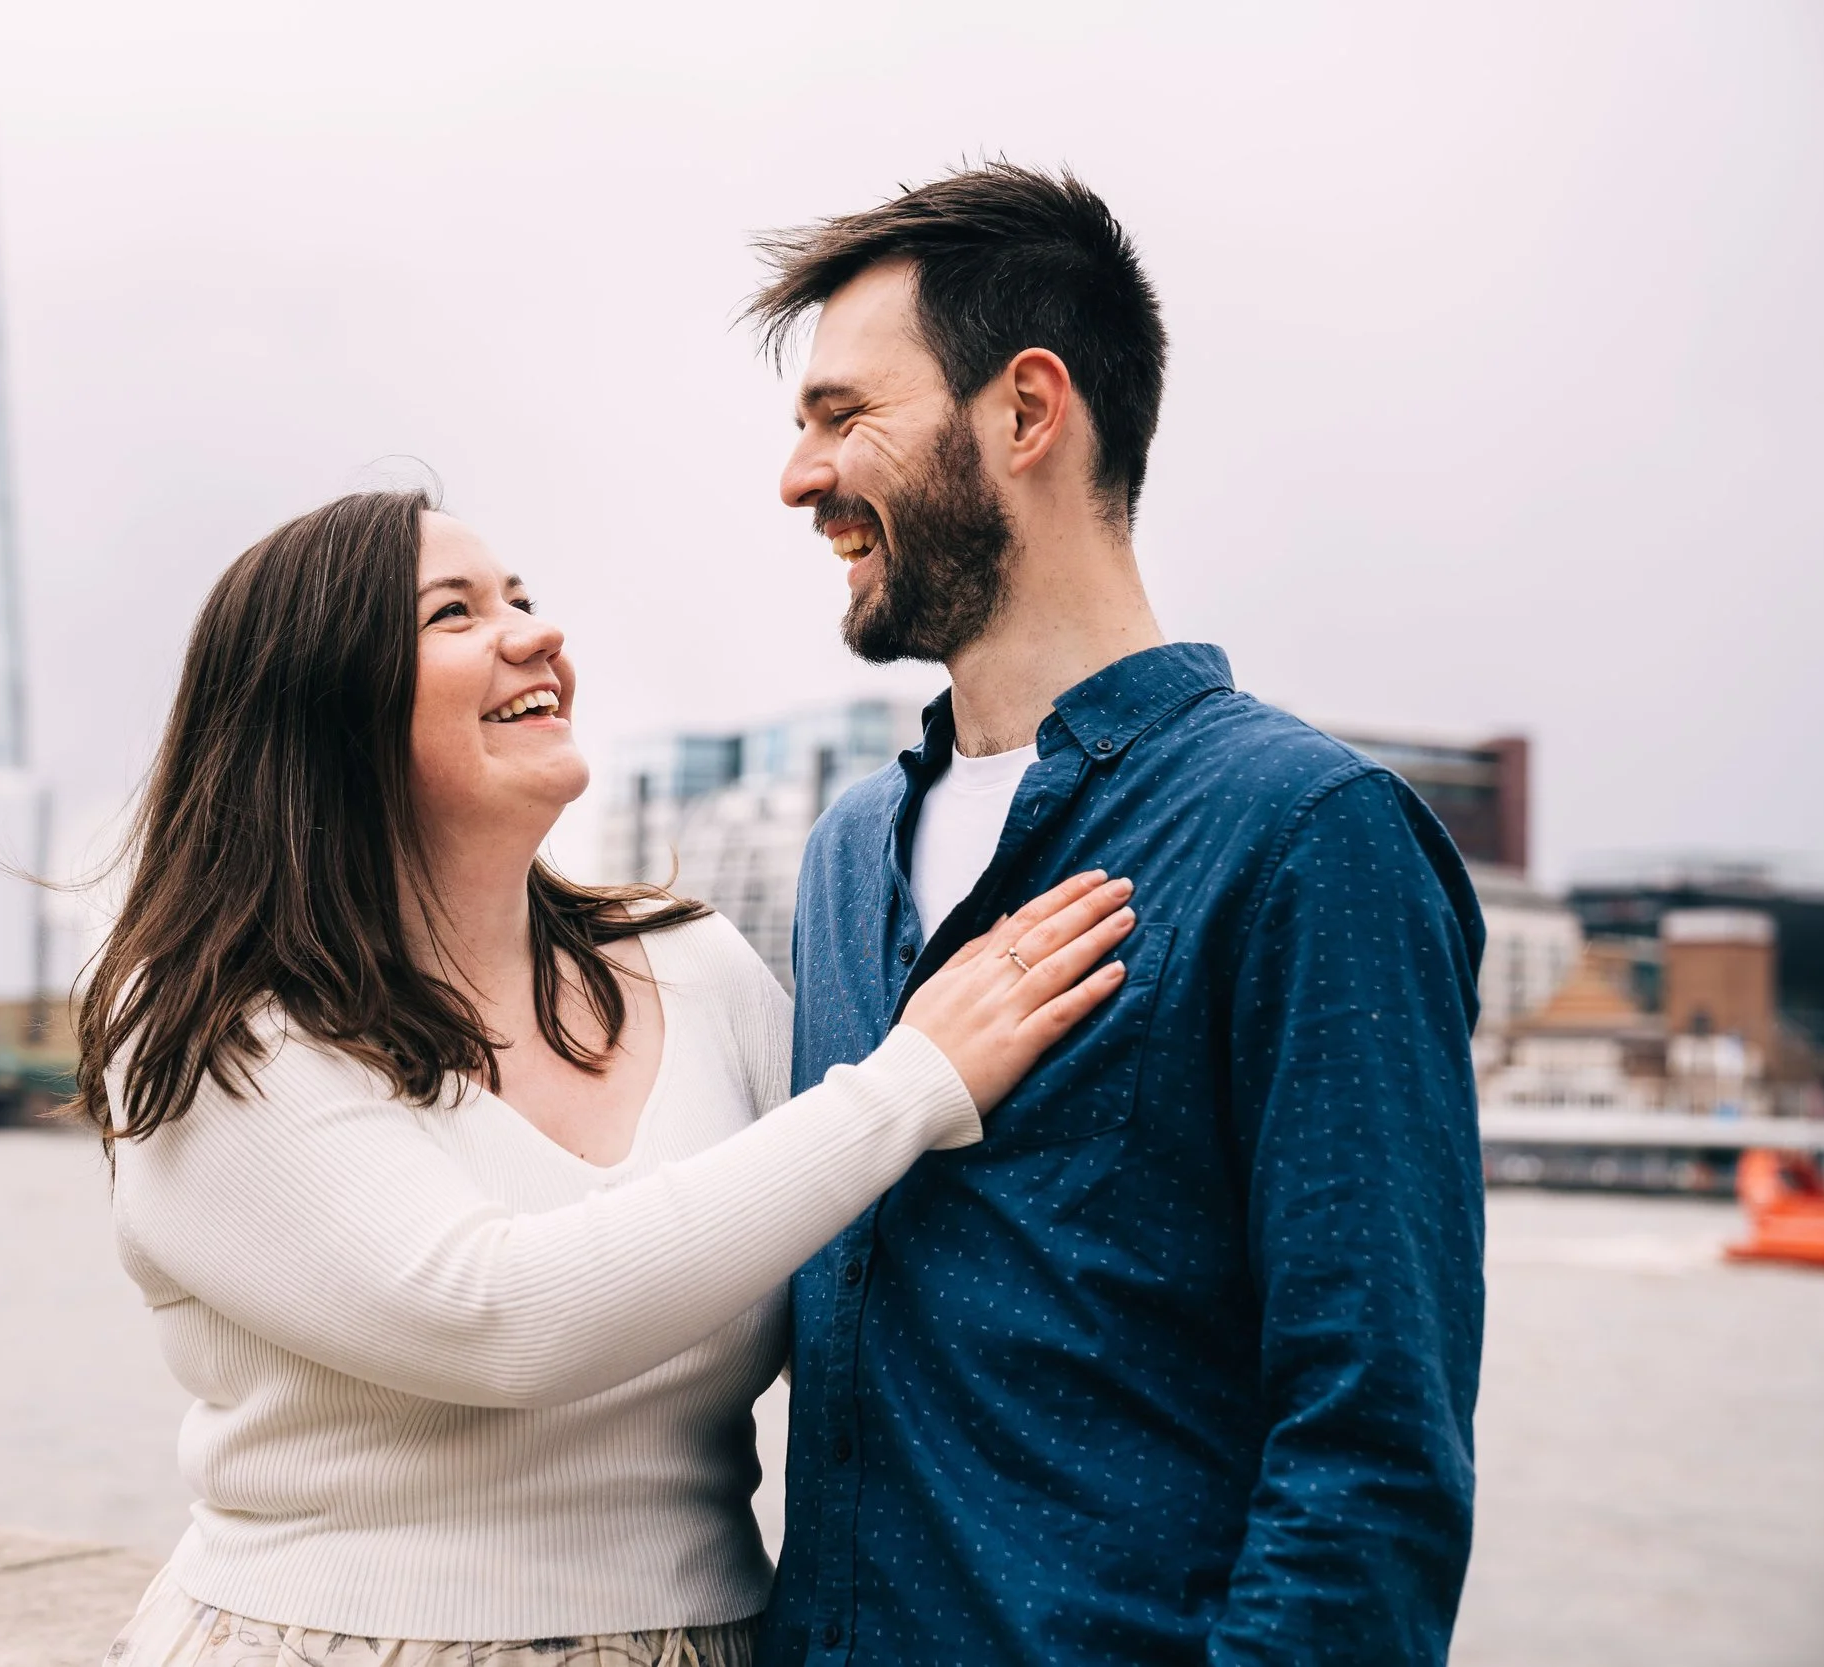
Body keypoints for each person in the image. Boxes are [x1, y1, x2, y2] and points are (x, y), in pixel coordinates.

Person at [76, 489, 1141, 1667]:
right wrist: (911, 1081)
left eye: (523, 598)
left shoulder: (695, 965)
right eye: (454, 613)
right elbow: (499, 1314)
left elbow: (850, 1262)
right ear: (325, 708)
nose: (537, 634)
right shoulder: (218, 1036)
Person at [747, 162, 1488, 1665]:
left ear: (1027, 411)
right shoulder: (843, 856)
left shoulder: (1304, 835)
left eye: (842, 416)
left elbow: (1372, 1456)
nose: (798, 476)